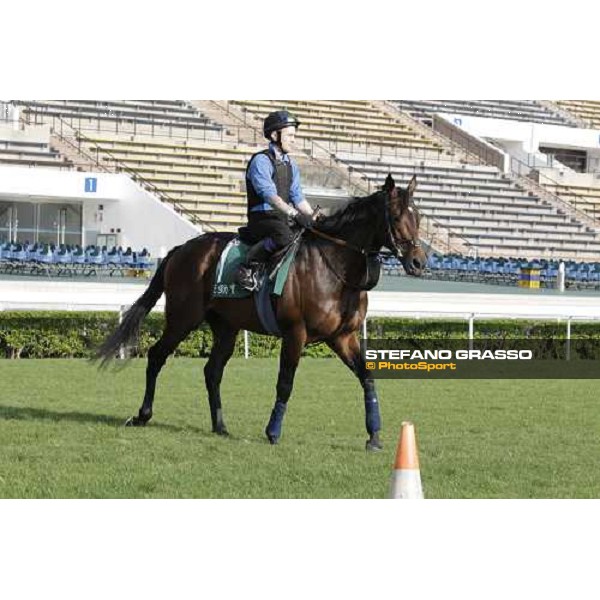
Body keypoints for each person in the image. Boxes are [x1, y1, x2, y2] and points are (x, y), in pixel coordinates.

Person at [236, 110, 315, 291]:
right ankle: (248, 265)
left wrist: (313, 217)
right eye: (290, 135)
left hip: (282, 218)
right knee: (284, 237)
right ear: (274, 135)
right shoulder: (261, 161)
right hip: (262, 218)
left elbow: (297, 197)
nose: (294, 140)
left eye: (294, 136)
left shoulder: (291, 164)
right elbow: (270, 196)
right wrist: (295, 214)